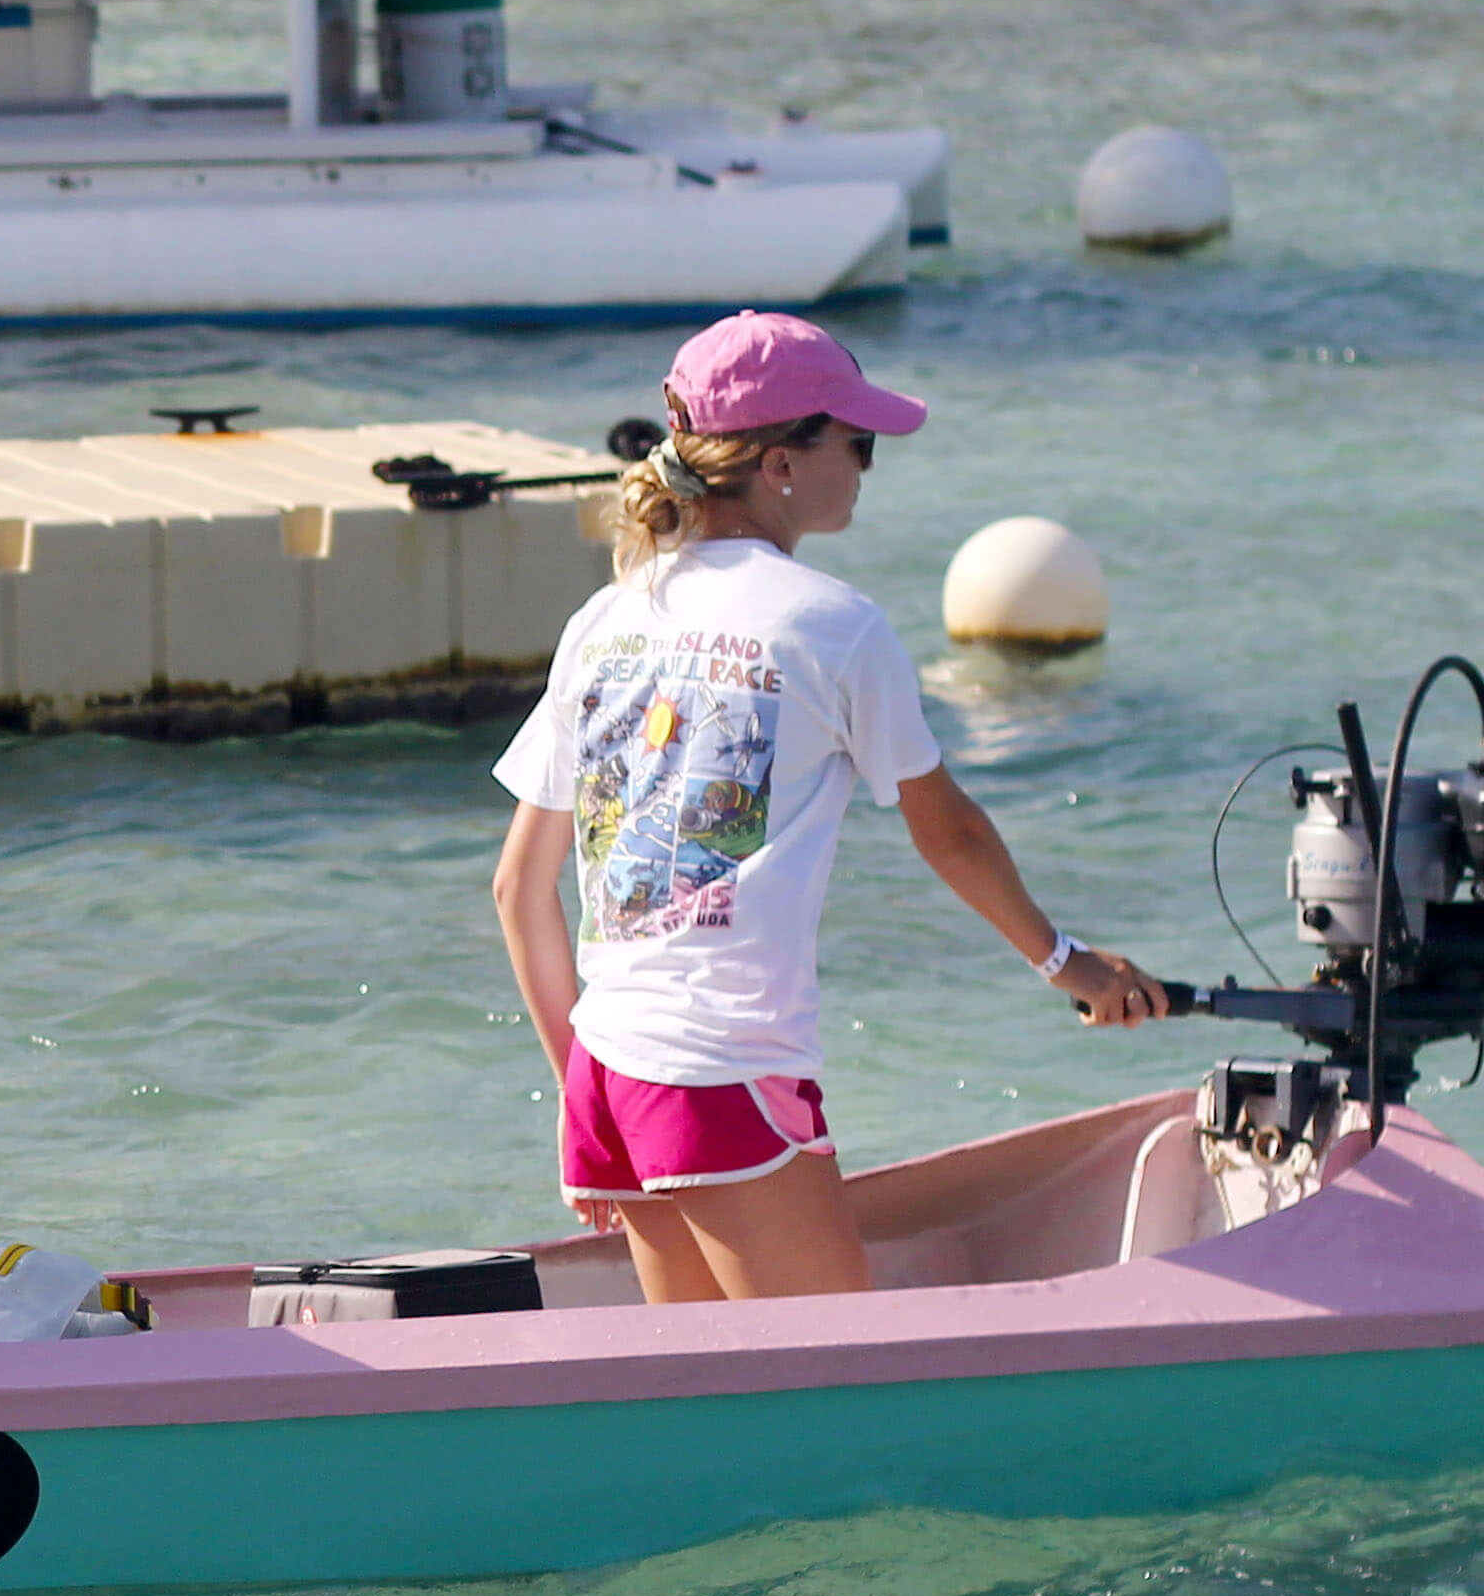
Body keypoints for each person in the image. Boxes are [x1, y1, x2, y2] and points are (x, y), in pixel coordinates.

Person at [487, 312, 1167, 1305]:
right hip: (721, 1067)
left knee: (713, 1394)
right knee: (836, 1384)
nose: (869, 464)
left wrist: (577, 1088)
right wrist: (1070, 963)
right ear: (779, 464)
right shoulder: (834, 627)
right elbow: (952, 832)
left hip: (607, 1071)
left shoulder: (605, 618)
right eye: (858, 441)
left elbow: (517, 889)